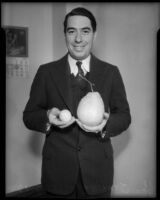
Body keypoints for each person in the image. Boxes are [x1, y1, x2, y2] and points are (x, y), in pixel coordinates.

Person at [23, 7, 131, 199]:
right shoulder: (46, 72)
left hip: (98, 173)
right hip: (57, 172)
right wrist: (47, 117)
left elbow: (124, 116)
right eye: (72, 31)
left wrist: (106, 123)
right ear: (65, 35)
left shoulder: (111, 72)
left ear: (94, 35)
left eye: (85, 31)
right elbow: (29, 116)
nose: (78, 39)